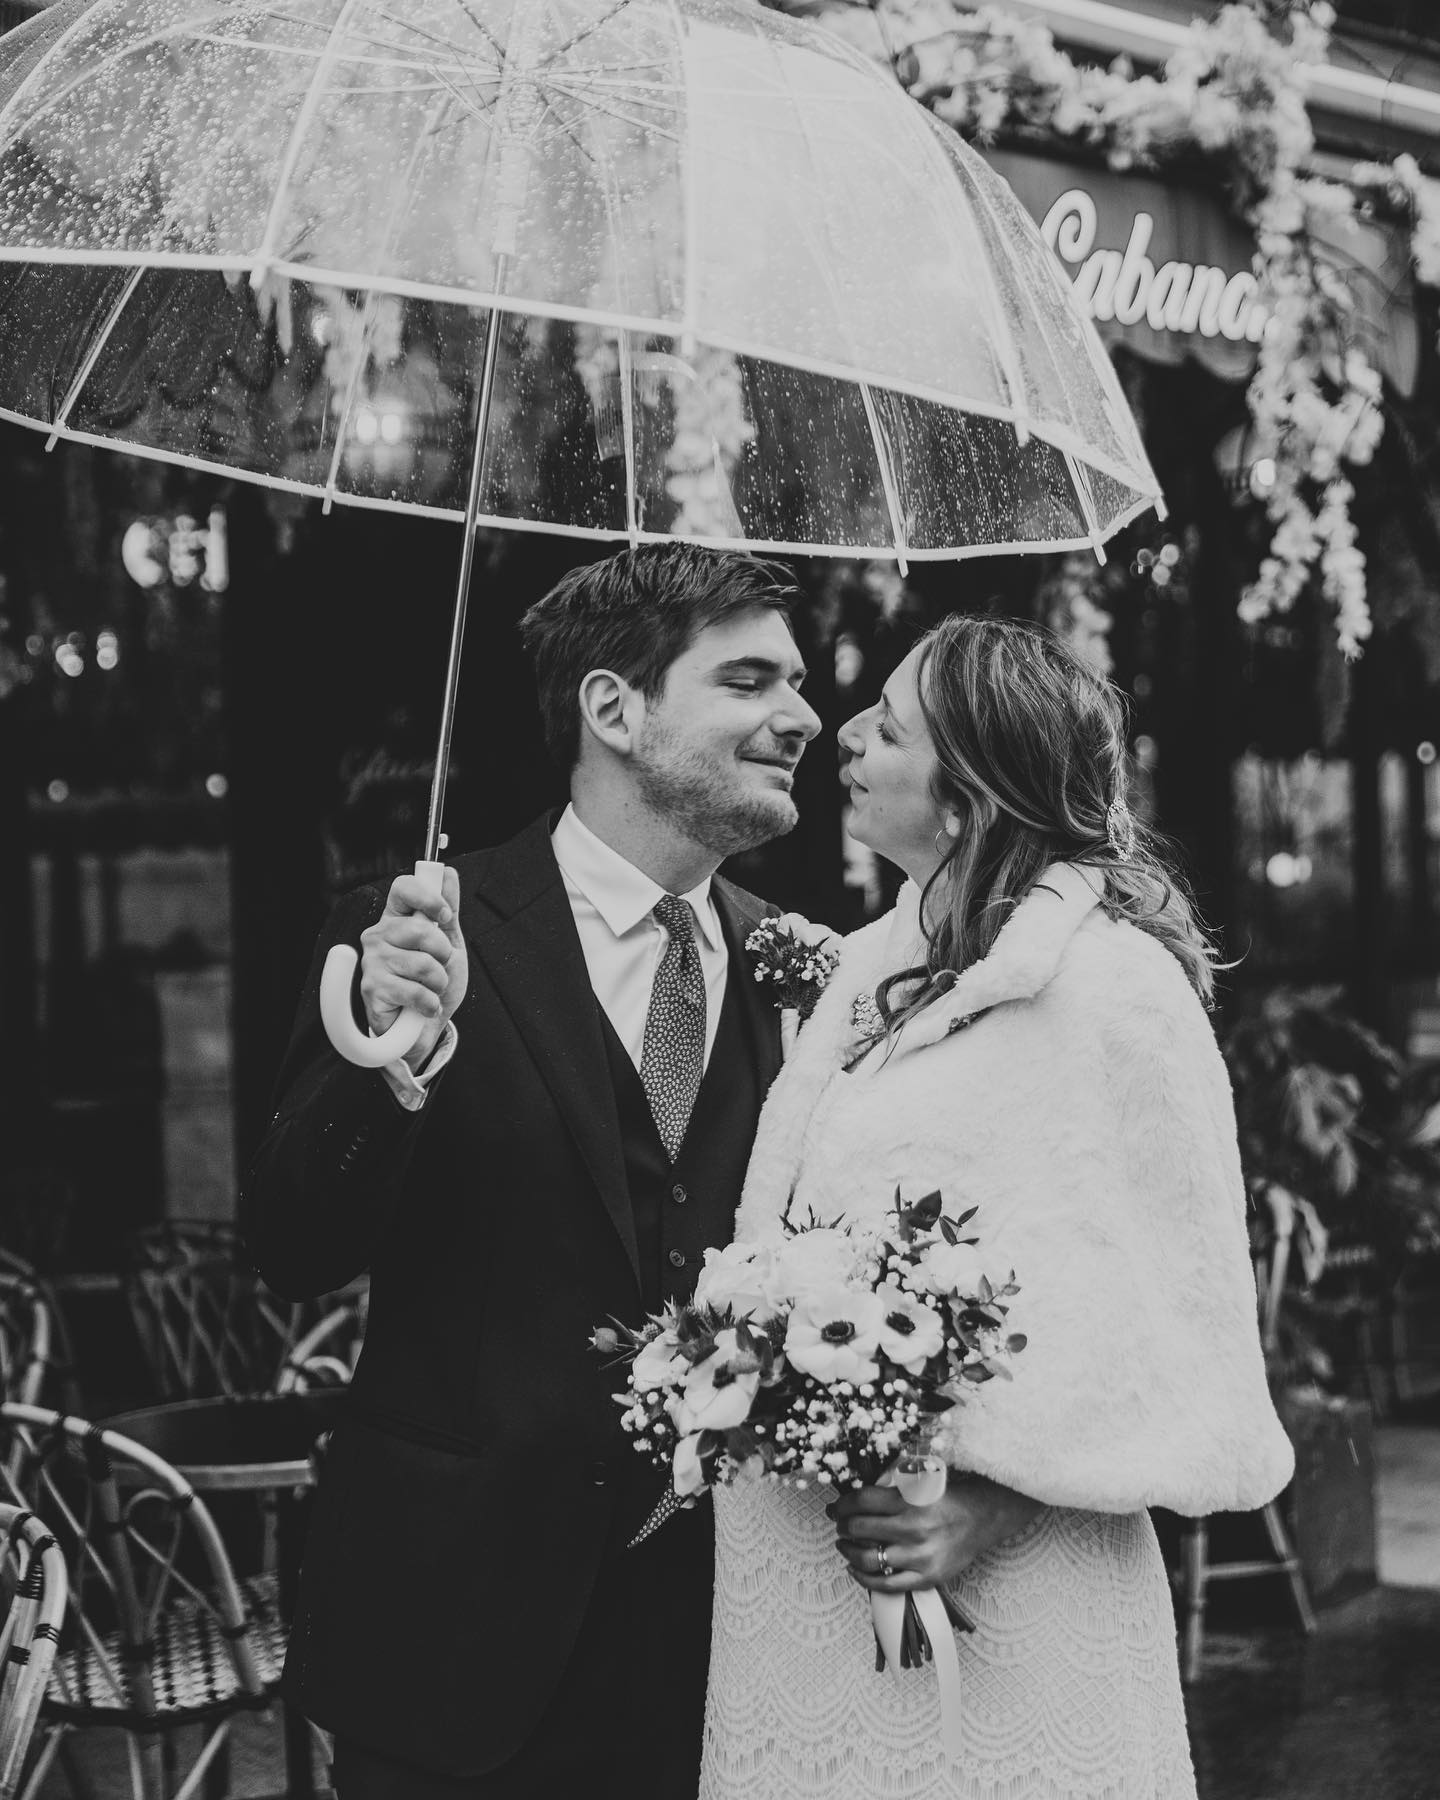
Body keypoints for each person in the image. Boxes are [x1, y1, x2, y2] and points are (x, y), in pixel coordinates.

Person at [241, 542, 821, 1798]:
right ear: (613, 709)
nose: (803, 716)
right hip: (458, 1647)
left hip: (733, 1650)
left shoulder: (799, 969)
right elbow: (293, 1250)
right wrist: (384, 1066)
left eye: (799, 683)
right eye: (751, 681)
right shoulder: (415, 936)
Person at [700, 614, 1295, 1799]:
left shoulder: (1119, 990)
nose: (846, 736)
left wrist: (994, 1497)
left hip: (1019, 1589)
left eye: (891, 727)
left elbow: (1183, 1313)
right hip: (814, 1597)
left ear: (967, 797)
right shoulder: (873, 972)